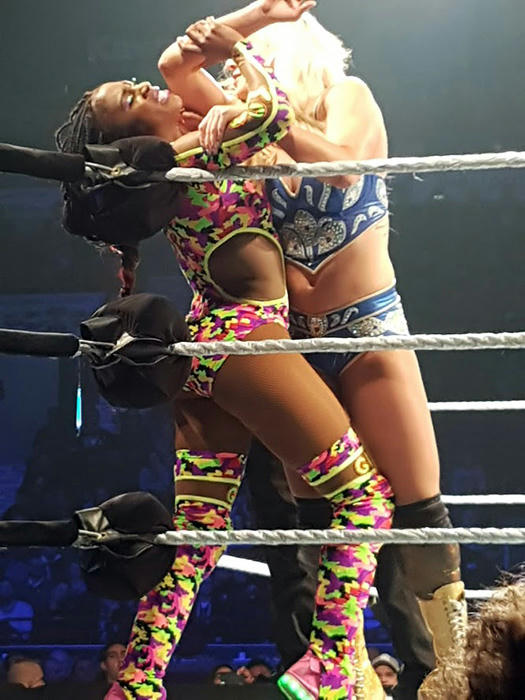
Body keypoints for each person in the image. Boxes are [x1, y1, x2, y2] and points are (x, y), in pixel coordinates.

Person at [55, 4, 393, 699]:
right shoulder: (201, 151)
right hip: (244, 347)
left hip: (197, 355)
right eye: (131, 99)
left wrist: (263, 16)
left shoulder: (158, 179)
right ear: (130, 134)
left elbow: (187, 73)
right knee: (364, 498)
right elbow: (271, 113)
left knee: (198, 535)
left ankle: (137, 681)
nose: (143, 86)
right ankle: (331, 661)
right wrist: (239, 52)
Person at [173, 6, 467, 696]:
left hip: (366, 327)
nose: (239, 78)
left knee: (417, 510)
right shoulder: (249, 125)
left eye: (256, 62)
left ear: (292, 57)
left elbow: (340, 168)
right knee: (324, 520)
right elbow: (175, 68)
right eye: (241, 67)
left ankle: (456, 672)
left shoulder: (347, 98)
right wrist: (247, 25)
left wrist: (245, 63)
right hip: (295, 342)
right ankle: (349, 679)